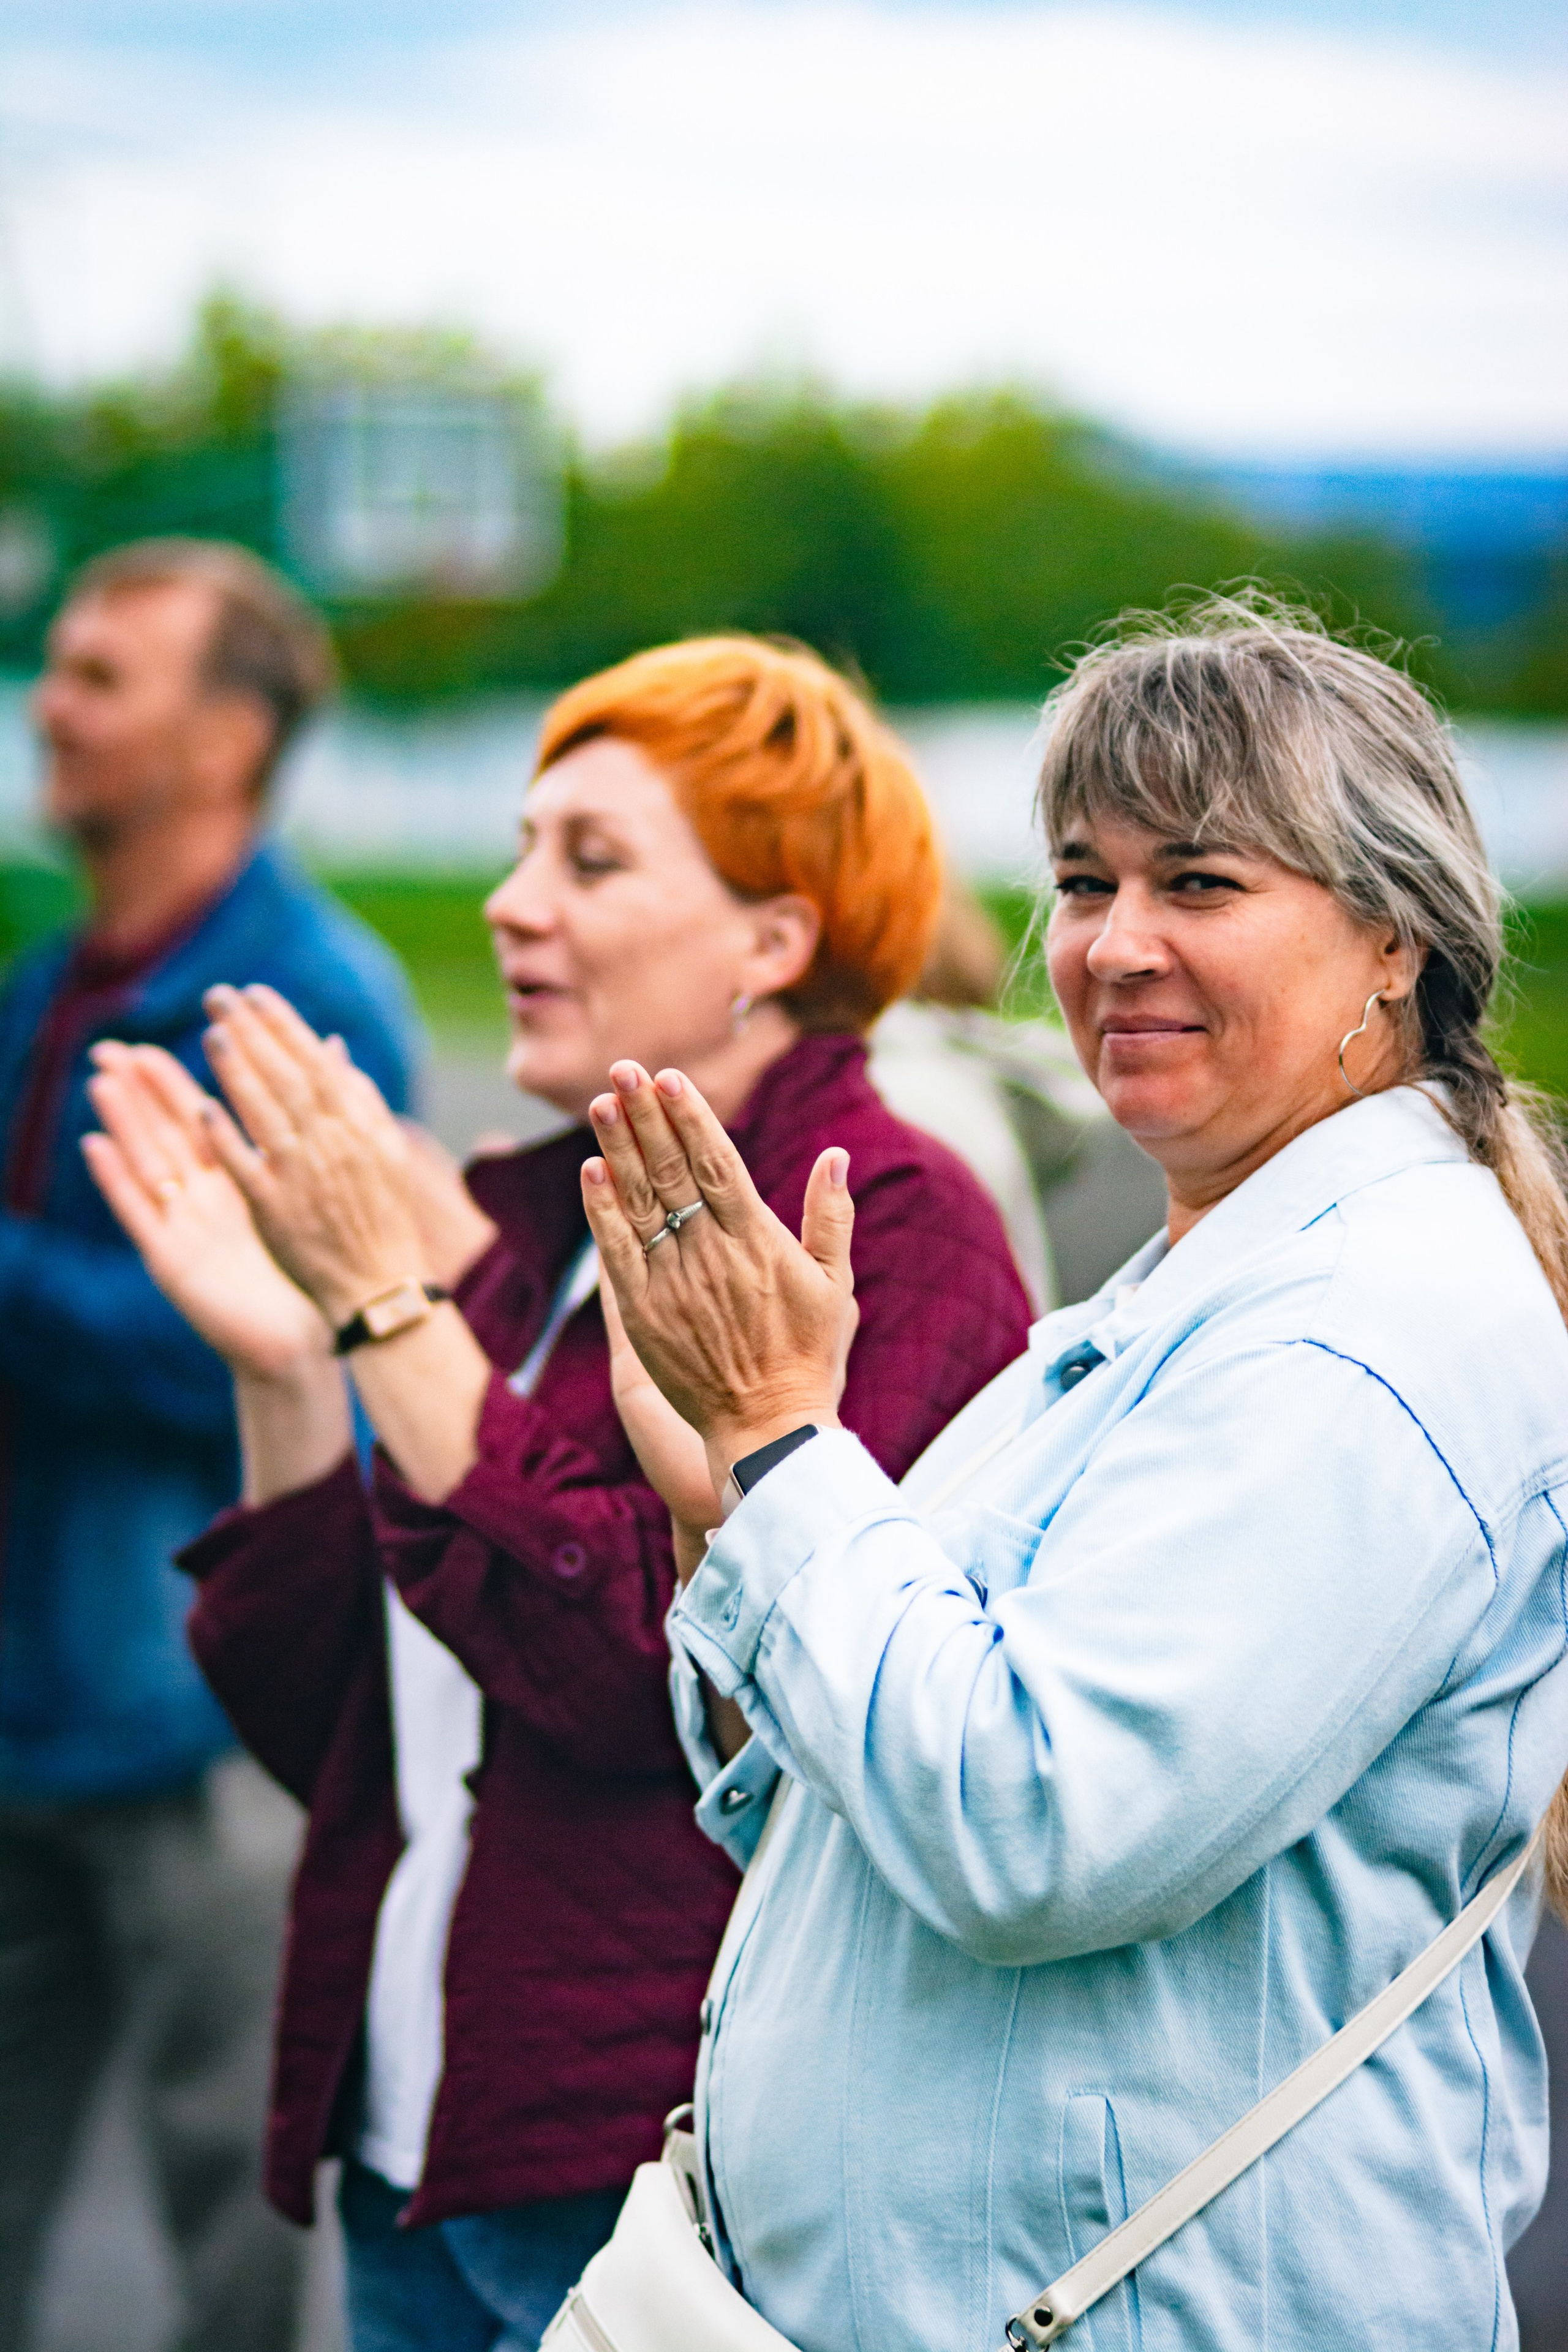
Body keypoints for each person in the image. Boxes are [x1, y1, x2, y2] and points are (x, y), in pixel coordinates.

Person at [576, 597, 1568, 2352]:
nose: (1114, 946)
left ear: (1397, 939)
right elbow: (866, 1779)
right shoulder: (1209, 1282)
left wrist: (790, 1451)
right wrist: (733, 1505)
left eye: (1198, 881)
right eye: (1086, 879)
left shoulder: (1360, 1337)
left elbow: (1035, 1827)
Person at [83, 637, 1033, 2352]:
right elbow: (331, 1727)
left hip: (647, 2170)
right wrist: (287, 1361)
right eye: (524, 847)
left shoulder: (891, 1231)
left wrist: (386, 1307)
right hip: (423, 2144)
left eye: (589, 861)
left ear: (777, 936)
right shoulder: (532, 1225)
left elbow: (644, 1686)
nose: (514, 904)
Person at [0, 540, 418, 2352]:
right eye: (58, 665)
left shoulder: (300, 1001)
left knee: (230, 2245)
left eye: (105, 676)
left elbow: (248, 1353)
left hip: (196, 1724)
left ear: (232, 736)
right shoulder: (50, 981)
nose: (52, 704)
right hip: (25, 1706)